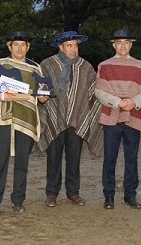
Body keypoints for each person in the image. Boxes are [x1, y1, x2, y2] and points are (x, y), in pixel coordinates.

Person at [0, 31, 49, 215]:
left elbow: (42, 94)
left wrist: (43, 98)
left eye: (23, 44)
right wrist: (3, 95)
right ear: (9, 46)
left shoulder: (35, 68)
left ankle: (18, 200)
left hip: (25, 120)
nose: (20, 48)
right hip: (5, 120)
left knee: (22, 163)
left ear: (28, 47)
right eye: (16, 44)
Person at [38, 31, 102, 207]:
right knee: (53, 157)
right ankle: (52, 193)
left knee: (74, 158)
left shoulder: (86, 67)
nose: (74, 49)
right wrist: (40, 97)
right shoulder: (48, 65)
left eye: (76, 45)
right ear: (61, 47)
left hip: (77, 118)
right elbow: (41, 88)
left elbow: (92, 93)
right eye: (69, 46)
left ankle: (73, 192)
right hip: (54, 116)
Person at [94, 29, 141, 210]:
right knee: (110, 158)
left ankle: (131, 195)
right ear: (113, 45)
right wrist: (118, 102)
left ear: (131, 44)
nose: (123, 46)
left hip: (133, 116)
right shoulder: (104, 65)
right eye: (119, 42)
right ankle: (109, 196)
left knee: (131, 157)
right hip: (111, 116)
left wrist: (135, 102)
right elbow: (99, 90)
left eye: (126, 42)